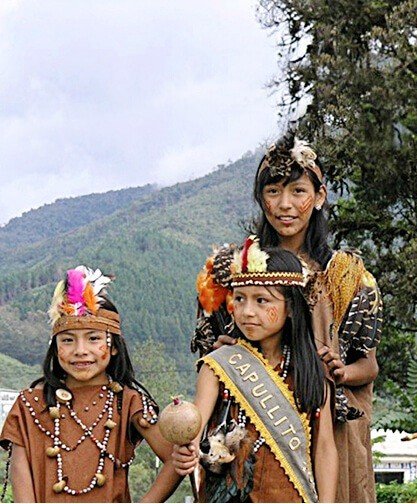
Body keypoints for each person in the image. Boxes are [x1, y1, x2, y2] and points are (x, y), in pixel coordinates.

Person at [193, 134, 382, 502]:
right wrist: (227, 352)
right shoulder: (230, 271)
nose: (285, 204)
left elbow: (369, 364)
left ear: (320, 196)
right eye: (273, 191)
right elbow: (208, 352)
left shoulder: (347, 277)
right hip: (247, 427)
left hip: (321, 420)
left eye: (298, 191)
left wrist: (340, 371)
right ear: (260, 197)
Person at [0, 266, 183, 502]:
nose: (80, 351)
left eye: (94, 338)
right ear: (55, 348)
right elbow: (23, 493)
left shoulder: (127, 401)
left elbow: (176, 459)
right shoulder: (29, 406)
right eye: (67, 340)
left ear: (115, 346)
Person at [176, 239, 338, 502]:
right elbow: (194, 432)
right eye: (239, 299)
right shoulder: (218, 366)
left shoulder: (311, 372)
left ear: (291, 309)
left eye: (262, 300)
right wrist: (186, 451)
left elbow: (325, 449)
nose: (247, 311)